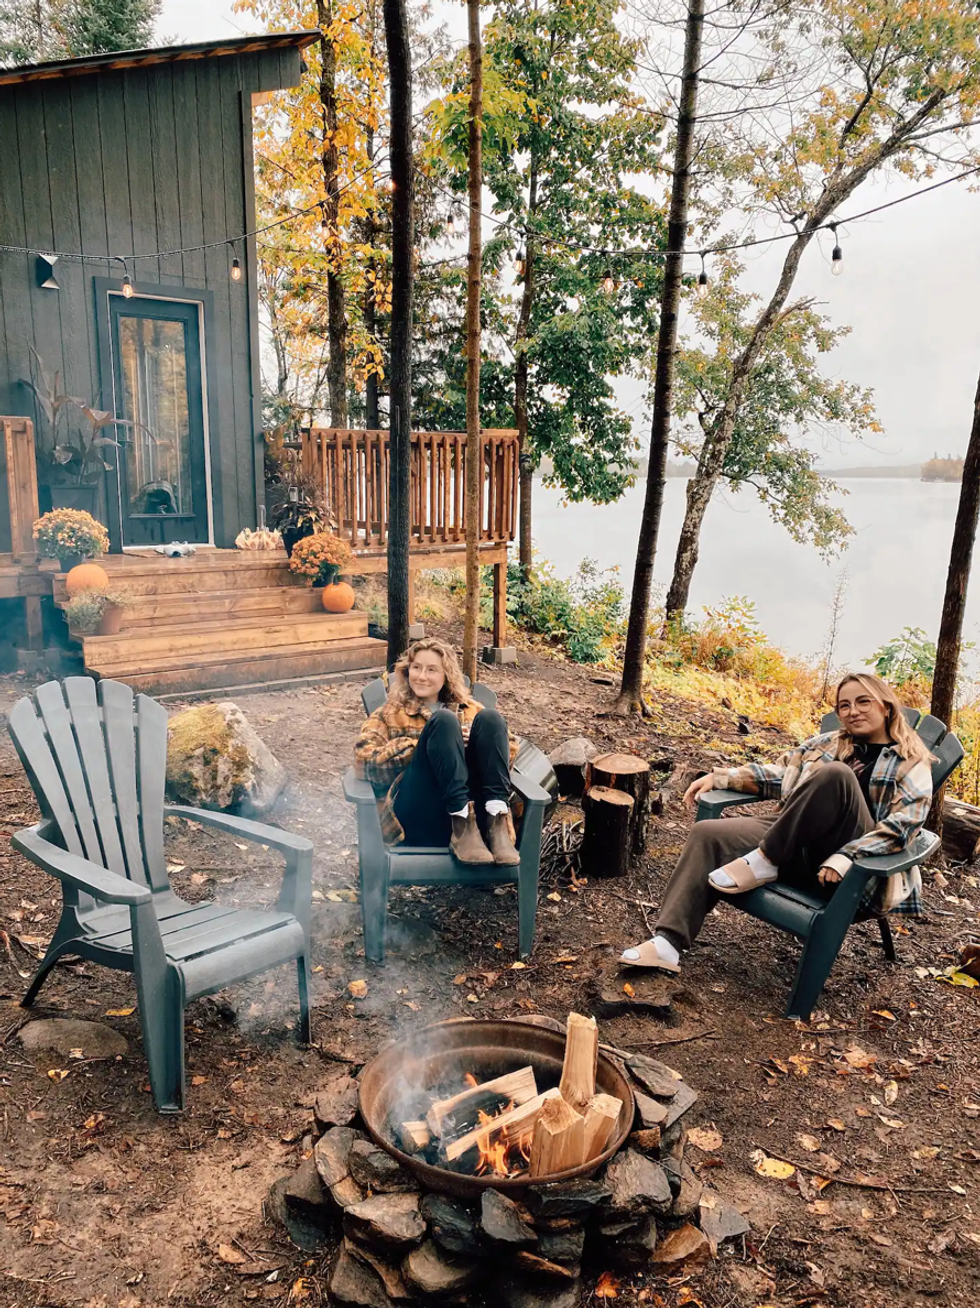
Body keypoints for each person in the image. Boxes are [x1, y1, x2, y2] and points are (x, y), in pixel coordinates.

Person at [619, 672, 934, 973]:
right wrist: (721, 776)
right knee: (707, 834)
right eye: (844, 705)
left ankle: (765, 859)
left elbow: (904, 826)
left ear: (885, 706)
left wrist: (849, 854)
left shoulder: (910, 761)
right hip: (796, 843)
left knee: (836, 774)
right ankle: (667, 943)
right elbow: (781, 775)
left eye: (863, 702)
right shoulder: (828, 744)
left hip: (853, 872)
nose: (853, 711)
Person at [354, 637, 520, 866]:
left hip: (478, 827)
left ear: (446, 675)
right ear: (407, 671)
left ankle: (496, 822)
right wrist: (423, 746)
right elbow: (364, 762)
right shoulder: (389, 713)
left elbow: (508, 753)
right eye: (416, 668)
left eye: (432, 670)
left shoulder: (472, 710)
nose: (422, 676)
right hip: (420, 817)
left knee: (492, 718)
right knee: (443, 722)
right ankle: (460, 818)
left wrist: (472, 746)